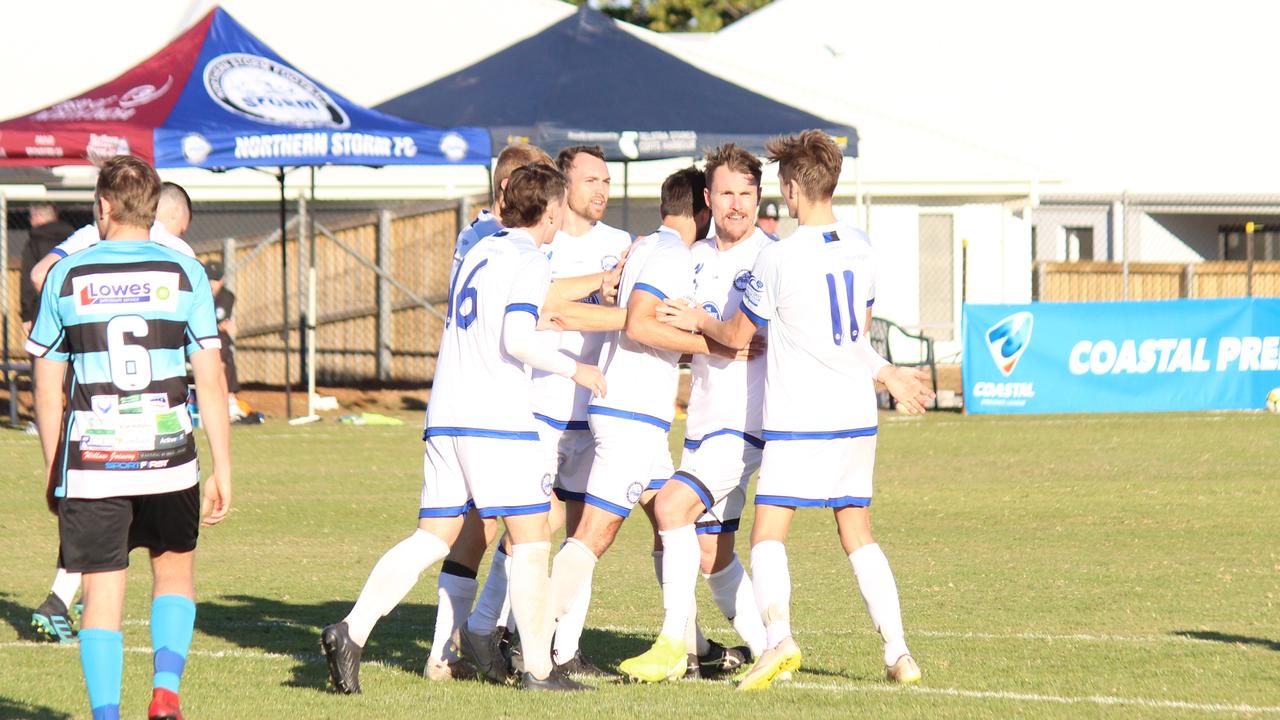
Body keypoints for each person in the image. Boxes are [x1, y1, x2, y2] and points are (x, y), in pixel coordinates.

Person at [657, 130, 934, 691]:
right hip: (857, 414)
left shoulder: (777, 258)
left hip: (800, 418)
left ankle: (778, 641)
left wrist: (696, 320)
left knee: (766, 535)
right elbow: (856, 334)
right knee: (858, 531)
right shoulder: (862, 247)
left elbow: (737, 333)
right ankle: (899, 653)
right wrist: (884, 372)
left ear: (788, 188)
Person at [321, 164, 605, 694]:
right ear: (549, 211)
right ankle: (540, 671)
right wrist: (577, 369)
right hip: (494, 418)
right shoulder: (528, 259)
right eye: (561, 203)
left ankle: (351, 629)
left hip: (446, 413)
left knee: (433, 537)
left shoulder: (479, 251)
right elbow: (518, 337)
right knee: (533, 533)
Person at [26, 155, 231, 720]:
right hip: (169, 458)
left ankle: (107, 713)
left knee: (101, 590)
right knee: (173, 570)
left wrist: (54, 470)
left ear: (104, 206)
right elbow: (210, 378)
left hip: (93, 460)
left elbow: (48, 390)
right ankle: (166, 691)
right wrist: (224, 466)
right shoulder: (184, 272)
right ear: (154, 211)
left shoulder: (69, 275)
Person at [425, 143, 624, 682]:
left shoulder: (612, 242)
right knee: (509, 527)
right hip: (517, 405)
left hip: (557, 408)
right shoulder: (501, 242)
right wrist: (628, 315)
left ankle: (533, 645)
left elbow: (553, 300)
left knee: (536, 524)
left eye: (605, 180)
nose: (599, 190)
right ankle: (489, 639)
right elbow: (545, 308)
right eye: (587, 180)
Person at [545, 166, 749, 674]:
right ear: (701, 210)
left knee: (671, 523)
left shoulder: (641, 248)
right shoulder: (673, 254)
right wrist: (714, 344)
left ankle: (692, 647)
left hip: (640, 417)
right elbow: (638, 324)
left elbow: (633, 316)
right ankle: (547, 646)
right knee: (594, 533)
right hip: (630, 415)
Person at [619, 145, 776, 682]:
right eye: (727, 193)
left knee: (670, 509)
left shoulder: (771, 258)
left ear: (759, 198)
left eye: (747, 194)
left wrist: (700, 325)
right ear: (708, 198)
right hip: (706, 422)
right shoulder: (693, 257)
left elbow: (749, 341)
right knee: (711, 555)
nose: (737, 204)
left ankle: (672, 645)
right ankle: (771, 647)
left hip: (745, 424)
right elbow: (682, 331)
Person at [29, 181, 200, 645]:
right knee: (156, 553)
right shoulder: (176, 252)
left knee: (98, 506)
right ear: (166, 215)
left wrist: (79, 310)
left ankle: (61, 598)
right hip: (155, 426)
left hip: (94, 403)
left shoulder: (87, 238)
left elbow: (41, 274)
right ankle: (63, 601)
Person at [19, 203, 75, 336]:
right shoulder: (73, 239)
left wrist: (27, 315)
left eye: (31, 217)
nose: (30, 220)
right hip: (72, 306)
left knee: (43, 352)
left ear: (38, 216)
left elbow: (28, 279)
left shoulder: (34, 243)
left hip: (42, 310)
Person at [203, 261, 243, 421]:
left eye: (215, 280)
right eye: (209, 279)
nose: (212, 284)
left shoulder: (227, 297)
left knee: (224, 348)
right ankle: (227, 400)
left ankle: (229, 399)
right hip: (197, 343)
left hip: (217, 343)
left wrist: (222, 326)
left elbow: (221, 319)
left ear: (222, 280)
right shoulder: (197, 294)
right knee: (221, 347)